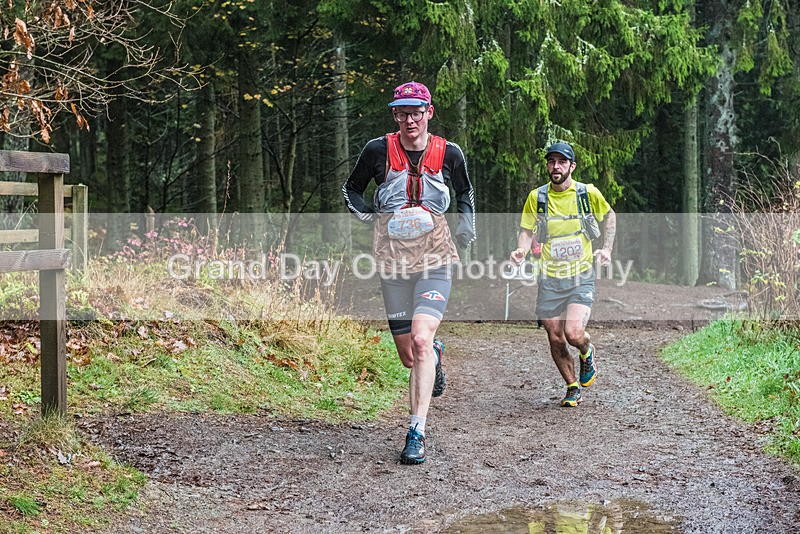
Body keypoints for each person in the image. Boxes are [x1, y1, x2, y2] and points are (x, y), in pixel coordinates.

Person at [342, 81, 475, 463]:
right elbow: (351, 189)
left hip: (436, 257)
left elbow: (465, 192)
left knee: (418, 340)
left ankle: (416, 431)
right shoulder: (377, 150)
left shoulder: (449, 153)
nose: (409, 119)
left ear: (429, 112)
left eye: (416, 112)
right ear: (394, 115)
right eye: (401, 112)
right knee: (409, 355)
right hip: (392, 261)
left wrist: (466, 226)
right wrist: (371, 215)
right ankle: (434, 353)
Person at [510, 141, 616, 407]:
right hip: (549, 277)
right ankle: (571, 386)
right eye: (551, 161)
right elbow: (526, 229)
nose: (555, 167)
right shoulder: (538, 197)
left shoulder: (587, 193)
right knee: (555, 337)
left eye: (561, 162)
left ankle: (586, 350)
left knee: (573, 333)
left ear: (572, 166)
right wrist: (521, 251)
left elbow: (610, 216)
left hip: (581, 273)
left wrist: (606, 249)